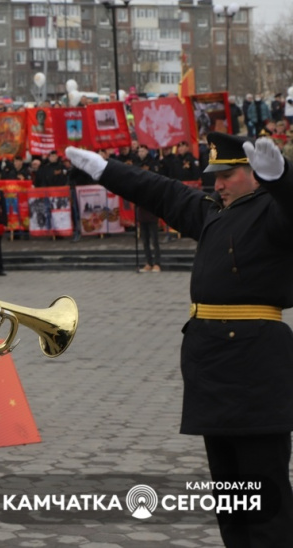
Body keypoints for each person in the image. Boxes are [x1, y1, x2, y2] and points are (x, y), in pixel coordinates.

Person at [66, 133, 293, 547]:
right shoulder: (215, 213)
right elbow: (160, 191)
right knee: (231, 498)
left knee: (265, 495)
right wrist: (105, 170)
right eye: (215, 177)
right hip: (212, 369)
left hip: (256, 370)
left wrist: (281, 177)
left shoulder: (274, 212)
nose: (217, 185)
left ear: (255, 174)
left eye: (227, 175)